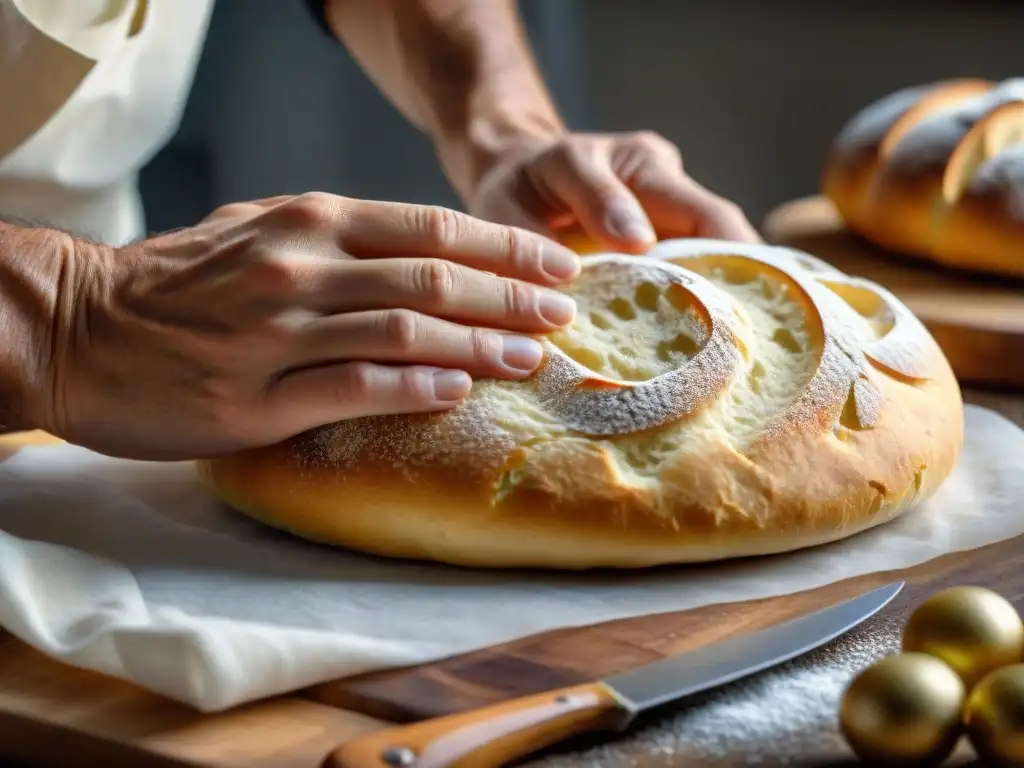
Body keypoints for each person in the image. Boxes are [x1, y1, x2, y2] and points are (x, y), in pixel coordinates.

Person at [0, 0, 758, 461]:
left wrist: (502, 129)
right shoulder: (77, 321)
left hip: (107, 399)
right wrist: (62, 320)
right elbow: (66, 320)